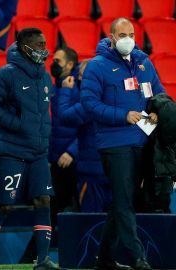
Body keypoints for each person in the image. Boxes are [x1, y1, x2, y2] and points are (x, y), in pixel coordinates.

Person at [80, 17, 164, 270]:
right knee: (125, 200)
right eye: (122, 34)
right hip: (115, 143)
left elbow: (159, 94)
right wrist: (122, 115)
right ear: (111, 36)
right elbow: (89, 104)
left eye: (131, 33)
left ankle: (104, 259)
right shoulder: (97, 66)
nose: (127, 38)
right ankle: (138, 257)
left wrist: (159, 109)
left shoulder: (144, 62)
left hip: (143, 139)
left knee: (124, 200)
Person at [0, 27, 61, 270]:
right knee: (5, 205)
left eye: (44, 43)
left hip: (37, 152)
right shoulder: (8, 73)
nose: (43, 49)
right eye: (38, 45)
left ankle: (43, 259)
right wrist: (17, 124)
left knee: (43, 201)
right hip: (11, 150)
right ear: (24, 47)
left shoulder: (45, 76)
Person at [55, 59, 112, 212]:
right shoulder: (116, 97)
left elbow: (64, 116)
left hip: (92, 176)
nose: (79, 79)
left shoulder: (91, 102)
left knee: (91, 225)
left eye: (83, 76)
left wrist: (65, 90)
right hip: (115, 172)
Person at [48, 47, 79, 221]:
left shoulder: (77, 89)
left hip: (72, 160)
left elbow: (88, 127)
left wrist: (72, 151)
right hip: (57, 159)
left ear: (69, 64)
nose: (53, 64)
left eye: (58, 61)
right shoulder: (56, 88)